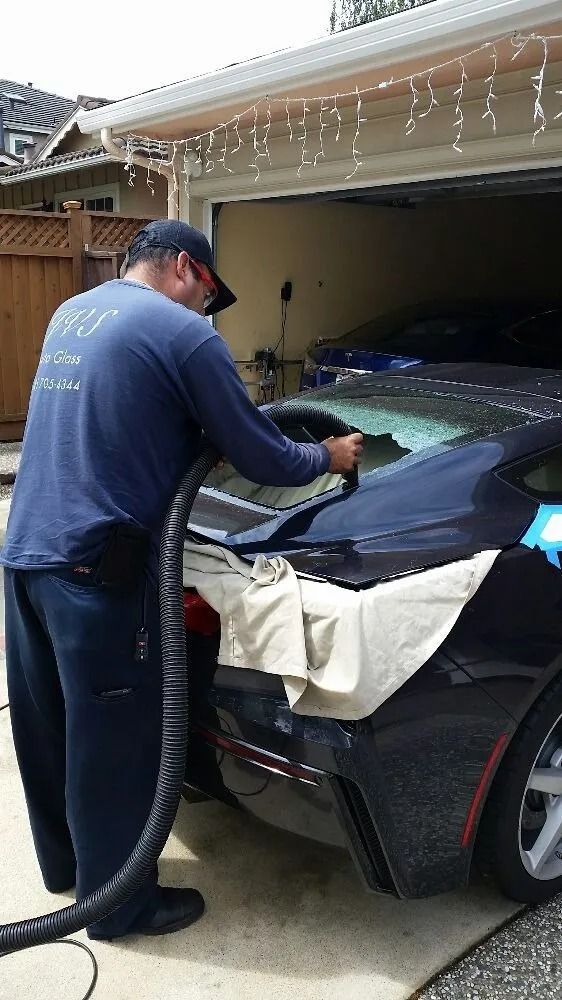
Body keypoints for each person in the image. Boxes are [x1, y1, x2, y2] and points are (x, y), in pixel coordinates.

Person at [0, 220, 363, 941]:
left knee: (49, 724)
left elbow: (117, 421)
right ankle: (118, 907)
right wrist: (328, 456)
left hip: (26, 557)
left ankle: (68, 872)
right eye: (208, 293)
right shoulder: (181, 332)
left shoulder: (76, 311)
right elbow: (260, 452)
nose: (206, 310)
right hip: (96, 577)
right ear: (185, 269)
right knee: (113, 744)